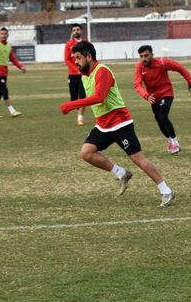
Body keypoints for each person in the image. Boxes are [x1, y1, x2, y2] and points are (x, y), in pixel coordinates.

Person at [59, 41, 175, 207]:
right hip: (103, 125)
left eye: (78, 58)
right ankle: (121, 173)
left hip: (120, 122)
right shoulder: (85, 75)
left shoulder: (102, 71)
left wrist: (71, 105)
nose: (76, 62)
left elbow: (100, 97)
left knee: (138, 159)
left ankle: (166, 190)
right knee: (86, 153)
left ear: (89, 57)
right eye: (74, 58)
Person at [134, 45, 191, 154]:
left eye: (146, 55)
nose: (144, 58)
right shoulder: (139, 67)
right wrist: (146, 95)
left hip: (166, 93)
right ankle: (170, 140)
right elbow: (137, 85)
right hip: (153, 97)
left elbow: (179, 68)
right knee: (158, 119)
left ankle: (175, 142)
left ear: (152, 55)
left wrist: (190, 82)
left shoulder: (162, 62)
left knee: (163, 115)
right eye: (141, 56)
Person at [0, 27, 26, 118]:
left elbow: (13, 59)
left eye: (5, 34)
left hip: (4, 72)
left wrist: (21, 67)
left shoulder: (9, 46)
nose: (3, 35)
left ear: (8, 35)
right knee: (4, 90)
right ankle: (12, 110)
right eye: (1, 34)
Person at [64, 23, 87, 126]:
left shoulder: (86, 44)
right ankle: (78, 107)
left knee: (82, 96)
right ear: (72, 32)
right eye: (74, 30)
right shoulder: (69, 44)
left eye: (78, 29)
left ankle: (80, 118)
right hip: (73, 74)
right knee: (73, 98)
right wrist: (76, 69)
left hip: (84, 74)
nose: (76, 31)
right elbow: (67, 59)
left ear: (81, 31)